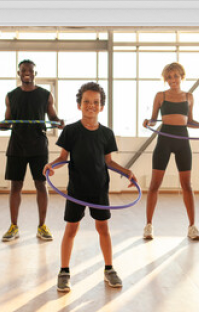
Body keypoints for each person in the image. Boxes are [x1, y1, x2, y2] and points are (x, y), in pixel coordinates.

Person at [43, 82, 137, 293]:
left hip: (99, 189)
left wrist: (127, 172)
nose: (91, 105)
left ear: (101, 106)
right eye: (86, 102)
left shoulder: (106, 134)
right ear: (79, 105)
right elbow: (62, 157)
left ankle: (109, 268)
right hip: (77, 189)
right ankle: (64, 271)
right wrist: (51, 166)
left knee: (103, 228)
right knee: (71, 229)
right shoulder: (71, 131)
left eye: (95, 102)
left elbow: (109, 162)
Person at [0, 59, 63, 242]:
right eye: (23, 70)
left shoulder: (45, 95)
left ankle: (42, 226)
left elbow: (53, 118)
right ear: (19, 73)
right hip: (17, 146)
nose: (27, 72)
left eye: (30, 70)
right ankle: (14, 227)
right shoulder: (11, 96)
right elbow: (8, 123)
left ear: (35, 73)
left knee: (41, 186)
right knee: (15, 187)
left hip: (38, 146)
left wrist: (59, 123)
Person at [142, 62, 199, 240]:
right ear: (166, 79)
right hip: (165, 138)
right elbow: (153, 119)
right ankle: (149, 226)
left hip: (182, 139)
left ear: (181, 76)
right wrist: (148, 123)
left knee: (187, 186)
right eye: (169, 77)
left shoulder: (189, 97)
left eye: (175, 76)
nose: (172, 80)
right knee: (154, 185)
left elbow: (189, 121)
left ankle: (192, 227)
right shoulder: (160, 96)